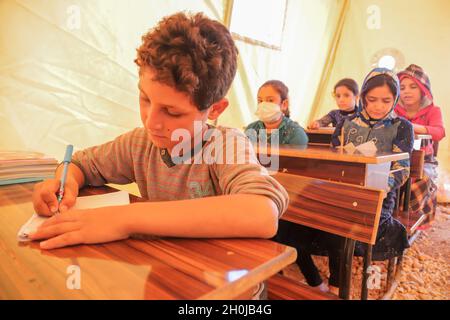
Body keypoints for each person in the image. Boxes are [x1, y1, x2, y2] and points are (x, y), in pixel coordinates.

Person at [30, 12, 289, 252]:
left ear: (214, 110)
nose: (151, 122)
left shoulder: (225, 144)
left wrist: (124, 219)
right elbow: (78, 163)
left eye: (172, 112)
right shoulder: (140, 144)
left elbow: (262, 212)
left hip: (227, 286)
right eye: (145, 99)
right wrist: (65, 182)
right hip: (165, 271)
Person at [278, 68, 414, 295]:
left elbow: (401, 169)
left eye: (386, 100)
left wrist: (378, 186)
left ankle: (336, 286)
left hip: (379, 193)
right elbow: (335, 160)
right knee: (292, 222)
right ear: (363, 97)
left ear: (395, 99)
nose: (378, 106)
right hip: (342, 187)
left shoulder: (401, 127)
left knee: (341, 228)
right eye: (371, 100)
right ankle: (314, 280)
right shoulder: (347, 123)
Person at [395, 64, 446, 216]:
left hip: (425, 161)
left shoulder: (432, 110)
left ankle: (411, 217)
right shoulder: (394, 110)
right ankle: (387, 214)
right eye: (402, 88)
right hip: (398, 157)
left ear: (423, 90)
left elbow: (439, 132)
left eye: (412, 87)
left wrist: (413, 127)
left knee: (421, 180)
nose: (407, 91)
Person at [245, 80, 308, 146]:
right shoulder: (251, 129)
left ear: (284, 104)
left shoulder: (296, 133)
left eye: (270, 100)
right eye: (260, 101)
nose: (263, 105)